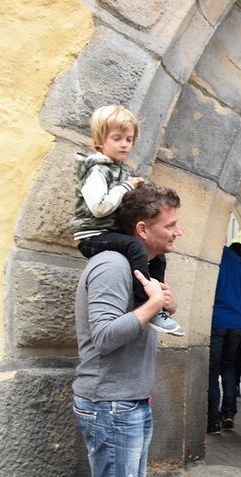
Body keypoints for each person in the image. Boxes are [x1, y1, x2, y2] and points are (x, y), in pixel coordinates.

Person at [72, 182, 182, 477]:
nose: (177, 233)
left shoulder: (136, 267)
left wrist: (160, 306)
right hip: (110, 403)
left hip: (129, 400)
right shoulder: (111, 265)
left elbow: (132, 329)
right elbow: (103, 335)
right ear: (142, 227)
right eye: (169, 225)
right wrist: (153, 306)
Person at [71, 105, 183, 336]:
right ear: (100, 141)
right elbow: (99, 208)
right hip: (91, 235)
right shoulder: (97, 172)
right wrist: (125, 187)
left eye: (129, 139)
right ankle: (147, 303)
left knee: (158, 258)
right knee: (134, 247)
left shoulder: (118, 170)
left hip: (106, 232)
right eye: (117, 138)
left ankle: (157, 300)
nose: (125, 144)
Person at [207, 240, 241, 434]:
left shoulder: (212, 259)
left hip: (215, 323)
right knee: (230, 367)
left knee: (212, 372)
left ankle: (213, 420)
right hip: (237, 324)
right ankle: (229, 413)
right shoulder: (239, 263)